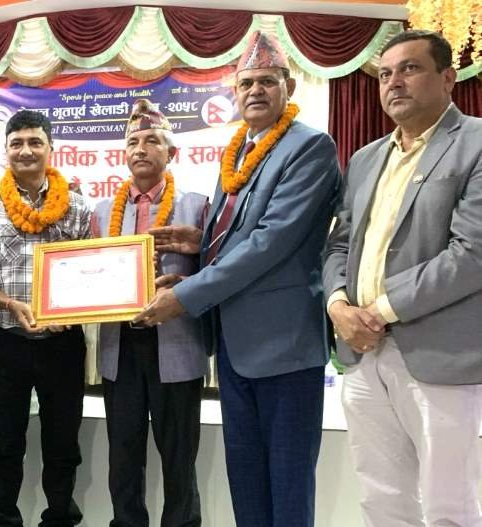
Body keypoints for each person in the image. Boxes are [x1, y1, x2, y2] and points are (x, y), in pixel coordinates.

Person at [135, 32, 341, 527]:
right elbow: (240, 232)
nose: (255, 91)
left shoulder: (309, 147)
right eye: (246, 83)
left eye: (267, 81)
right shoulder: (242, 150)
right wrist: (200, 240)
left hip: (285, 344)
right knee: (246, 480)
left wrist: (186, 295)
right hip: (233, 344)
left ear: (289, 87)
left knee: (287, 484)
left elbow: (270, 242)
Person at [324, 30, 482, 527]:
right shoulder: (366, 158)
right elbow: (339, 244)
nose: (394, 82)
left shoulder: (476, 143)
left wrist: (378, 311)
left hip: (439, 353)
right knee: (381, 498)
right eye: (386, 74)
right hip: (362, 353)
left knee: (448, 506)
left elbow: (472, 253)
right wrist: (337, 305)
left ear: (448, 78)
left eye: (410, 68)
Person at [0, 110, 91, 526]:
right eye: (17, 143)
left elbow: (90, 269)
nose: (26, 150)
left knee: (63, 441)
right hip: (5, 341)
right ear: (6, 150)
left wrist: (72, 312)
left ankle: (59, 517)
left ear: (51, 148)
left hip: (63, 343)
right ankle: (3, 518)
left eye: (35, 142)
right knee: (3, 441)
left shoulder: (77, 206)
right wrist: (8, 305)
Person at [91, 99, 208, 527]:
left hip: (175, 343)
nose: (140, 149)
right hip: (119, 346)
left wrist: (184, 287)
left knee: (179, 455)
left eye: (152, 141)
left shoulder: (197, 206)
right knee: (123, 453)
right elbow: (89, 273)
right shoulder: (102, 211)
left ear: (171, 152)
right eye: (133, 142)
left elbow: (216, 272)